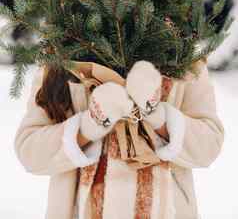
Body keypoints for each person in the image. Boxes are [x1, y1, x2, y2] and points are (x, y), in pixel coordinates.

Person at [14, 57, 224, 219]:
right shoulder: (64, 44)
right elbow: (30, 150)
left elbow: (208, 146)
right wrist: (90, 124)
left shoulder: (183, 48)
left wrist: (158, 116)